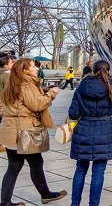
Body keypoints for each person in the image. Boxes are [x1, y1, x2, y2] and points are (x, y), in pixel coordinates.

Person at [0, 58, 67, 205]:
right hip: (24, 130)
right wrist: (52, 94)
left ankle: (5, 202)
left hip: (10, 129)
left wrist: (42, 91)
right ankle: (46, 194)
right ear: (24, 70)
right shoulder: (26, 84)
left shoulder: (12, 84)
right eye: (33, 66)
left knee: (14, 165)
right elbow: (37, 104)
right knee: (36, 163)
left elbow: (17, 102)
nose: (37, 68)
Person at [69, 60, 112, 206]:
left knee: (80, 170)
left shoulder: (81, 87)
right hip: (104, 132)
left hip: (83, 131)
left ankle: (74, 204)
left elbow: (73, 114)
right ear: (109, 71)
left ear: (92, 70)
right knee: (98, 172)